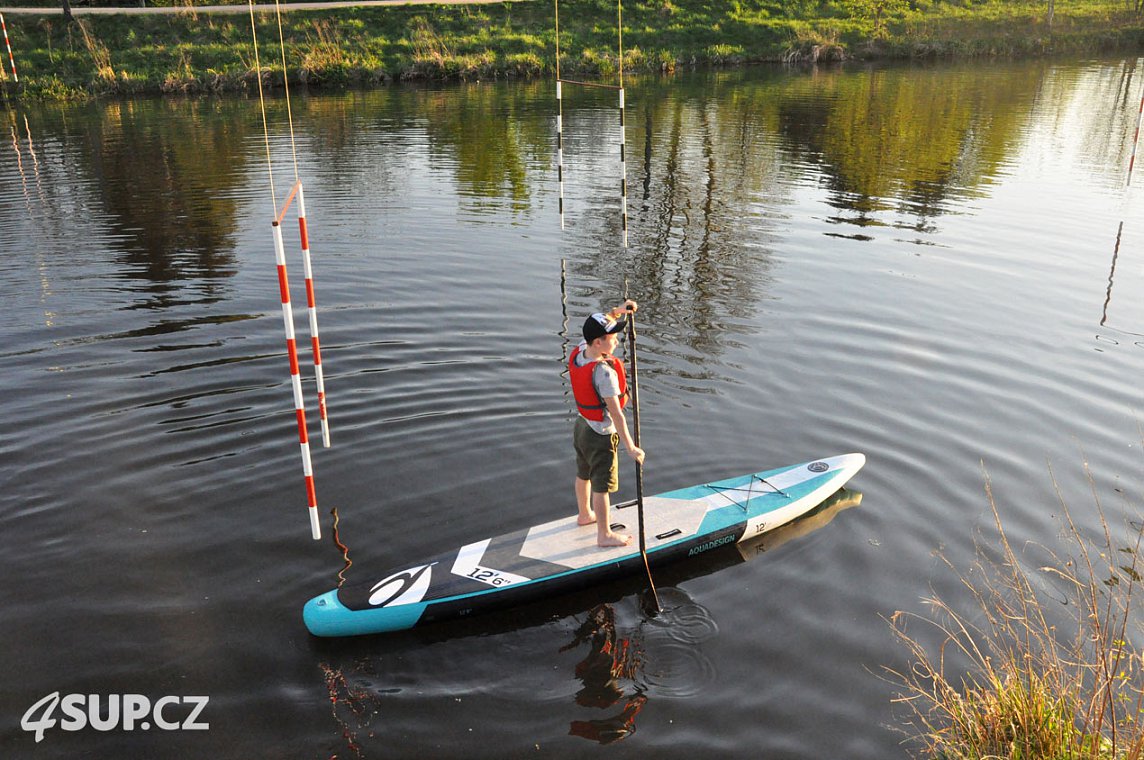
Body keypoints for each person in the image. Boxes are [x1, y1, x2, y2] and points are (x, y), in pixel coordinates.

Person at [569, 300, 646, 548]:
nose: (617, 341)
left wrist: (618, 311)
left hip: (581, 428)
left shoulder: (581, 350)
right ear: (599, 342)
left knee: (584, 473)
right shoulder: (604, 373)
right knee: (602, 486)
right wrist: (631, 447)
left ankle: (585, 515)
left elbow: (598, 326)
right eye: (613, 337)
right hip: (601, 435)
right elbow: (617, 414)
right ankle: (604, 534)